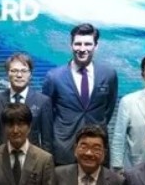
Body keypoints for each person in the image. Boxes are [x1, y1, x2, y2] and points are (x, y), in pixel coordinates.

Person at [42, 24, 118, 165]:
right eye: (78, 44)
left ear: (96, 46)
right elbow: (47, 116)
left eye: (88, 44)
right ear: (71, 45)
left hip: (97, 148)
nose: (82, 49)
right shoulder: (54, 77)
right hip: (64, 149)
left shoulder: (109, 74)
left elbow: (108, 109)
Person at [0, 52, 53, 153]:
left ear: (30, 74)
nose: (19, 75)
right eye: (14, 71)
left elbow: (47, 140)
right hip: (3, 157)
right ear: (7, 73)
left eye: (24, 71)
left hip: (33, 158)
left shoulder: (43, 101)